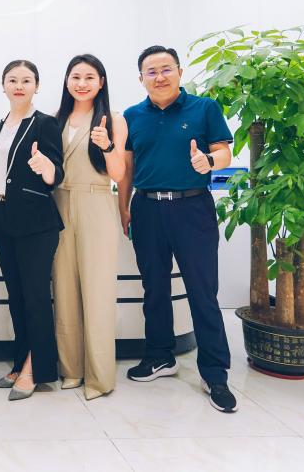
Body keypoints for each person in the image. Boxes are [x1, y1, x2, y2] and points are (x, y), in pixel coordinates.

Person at [117, 45, 238, 413]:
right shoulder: (132, 115)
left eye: (166, 69)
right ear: (141, 78)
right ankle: (160, 356)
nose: (160, 77)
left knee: (203, 291)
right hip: (147, 208)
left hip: (192, 208)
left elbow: (224, 152)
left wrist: (208, 161)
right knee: (154, 288)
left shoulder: (204, 108)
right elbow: (128, 167)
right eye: (151, 72)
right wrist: (124, 207)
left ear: (180, 72)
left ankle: (214, 373)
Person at [0, 60, 63, 401]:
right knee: (16, 297)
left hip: (36, 224)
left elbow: (57, 173)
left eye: (26, 80)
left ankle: (37, 369)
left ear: (36, 86)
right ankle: (20, 362)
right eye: (13, 80)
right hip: (3, 221)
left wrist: (45, 167)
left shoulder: (45, 123)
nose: (19, 86)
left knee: (35, 298)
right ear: (3, 85)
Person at [52, 54, 127, 400]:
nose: (82, 83)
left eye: (89, 77)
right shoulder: (56, 118)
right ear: (67, 80)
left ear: (101, 82)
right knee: (64, 289)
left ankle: (99, 377)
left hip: (97, 203)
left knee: (97, 293)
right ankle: (71, 370)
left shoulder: (113, 119)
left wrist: (107, 146)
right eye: (76, 76)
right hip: (59, 205)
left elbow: (118, 173)